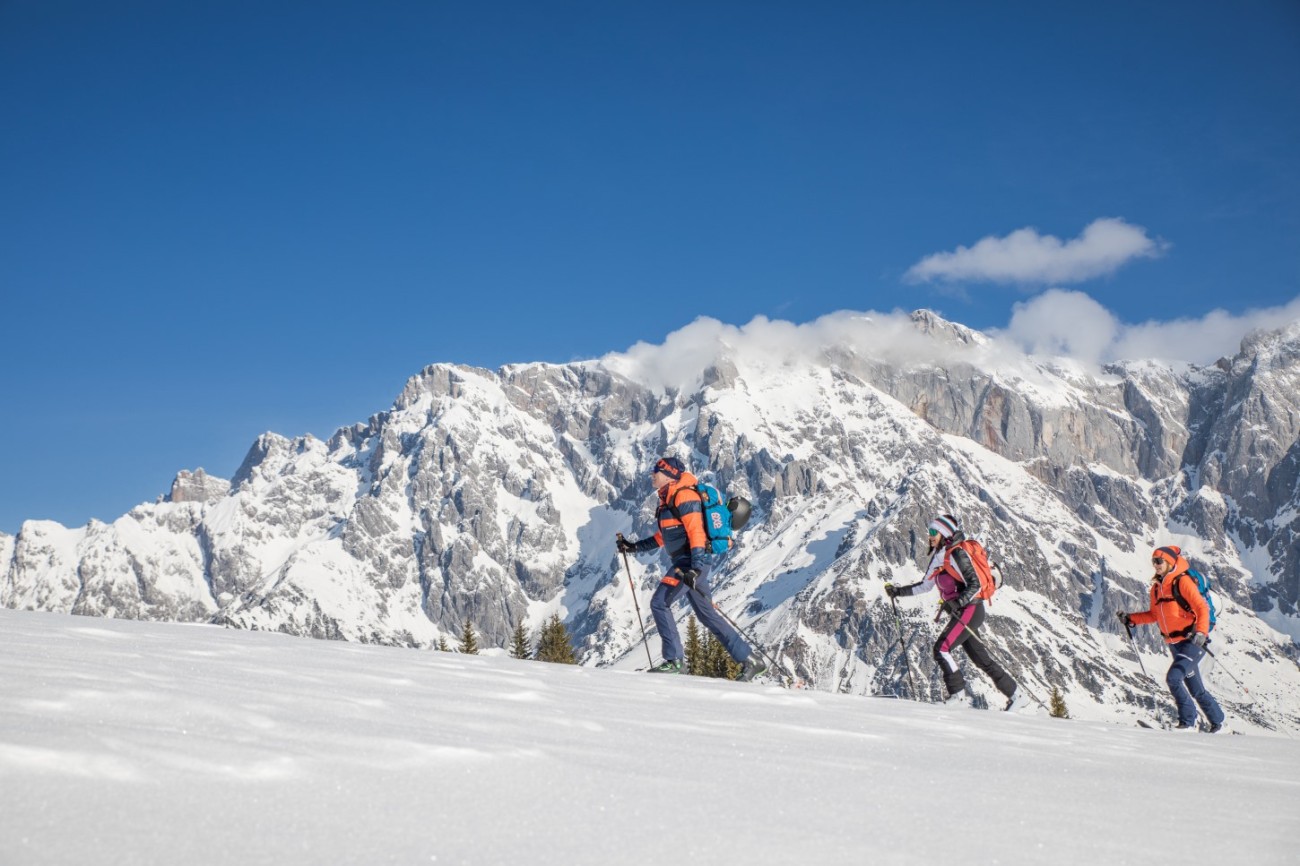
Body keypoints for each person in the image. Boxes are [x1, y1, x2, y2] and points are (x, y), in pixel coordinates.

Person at [617, 456, 766, 680]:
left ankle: (674, 660)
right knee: (708, 615)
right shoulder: (668, 498)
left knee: (659, 603)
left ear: (668, 475)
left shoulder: (683, 495)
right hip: (691, 561)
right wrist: (633, 547)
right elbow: (664, 537)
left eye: (656, 471)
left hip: (690, 562)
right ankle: (750, 660)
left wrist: (695, 568)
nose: (652, 475)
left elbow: (696, 531)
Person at [885, 513, 1028, 710]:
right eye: (929, 532)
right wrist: (897, 592)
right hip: (962, 610)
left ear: (944, 533)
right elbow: (925, 586)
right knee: (981, 659)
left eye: (934, 531)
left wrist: (957, 602)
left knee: (941, 648)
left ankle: (958, 696)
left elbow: (975, 585)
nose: (930, 535)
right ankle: (1017, 695)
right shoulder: (939, 557)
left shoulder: (956, 554)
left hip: (971, 609)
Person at [1117, 545, 1225, 732]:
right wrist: (1131, 619)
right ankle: (1220, 724)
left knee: (1174, 678)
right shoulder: (1157, 589)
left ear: (1170, 562)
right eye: (1154, 561)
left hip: (1192, 641)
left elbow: (1202, 608)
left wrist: (1201, 632)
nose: (1156, 565)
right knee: (1195, 688)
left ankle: (1187, 723)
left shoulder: (1182, 582)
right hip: (1174, 644)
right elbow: (1154, 615)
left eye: (1159, 561)